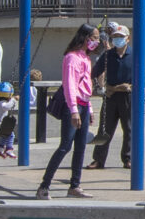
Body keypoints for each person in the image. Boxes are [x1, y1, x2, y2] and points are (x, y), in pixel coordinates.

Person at [36, 25, 101, 197]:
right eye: (94, 37)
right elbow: (70, 85)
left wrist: (89, 108)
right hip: (73, 105)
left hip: (84, 104)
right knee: (65, 146)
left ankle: (75, 186)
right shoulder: (72, 58)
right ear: (85, 38)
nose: (97, 41)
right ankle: (44, 186)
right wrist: (74, 110)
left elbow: (85, 86)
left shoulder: (86, 58)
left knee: (80, 147)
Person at [91, 22, 133, 169]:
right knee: (104, 128)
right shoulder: (108, 55)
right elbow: (94, 72)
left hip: (128, 97)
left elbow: (143, 78)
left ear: (128, 38)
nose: (117, 39)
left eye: (120, 36)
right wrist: (102, 87)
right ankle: (98, 159)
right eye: (115, 37)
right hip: (110, 96)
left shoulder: (135, 55)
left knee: (129, 129)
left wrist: (130, 86)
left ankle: (128, 158)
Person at [0, 82, 21, 159]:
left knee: (5, 135)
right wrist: (14, 99)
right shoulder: (3, 104)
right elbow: (7, 106)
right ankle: (9, 149)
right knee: (11, 135)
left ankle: (0, 147)